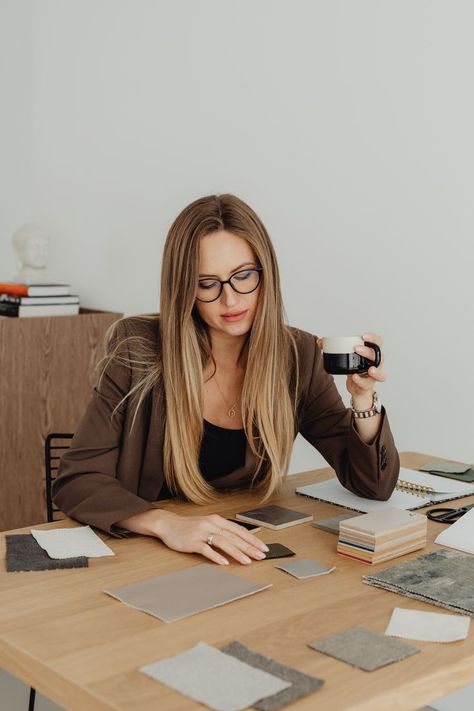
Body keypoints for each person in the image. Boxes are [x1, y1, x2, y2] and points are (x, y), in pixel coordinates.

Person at [53, 193, 399, 566]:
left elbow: (373, 486)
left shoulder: (298, 355)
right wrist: (166, 524)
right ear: (184, 288)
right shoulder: (138, 348)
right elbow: (77, 480)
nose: (230, 300)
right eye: (207, 283)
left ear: (266, 274)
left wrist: (363, 399)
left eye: (243, 276)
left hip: (242, 551)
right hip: (148, 552)